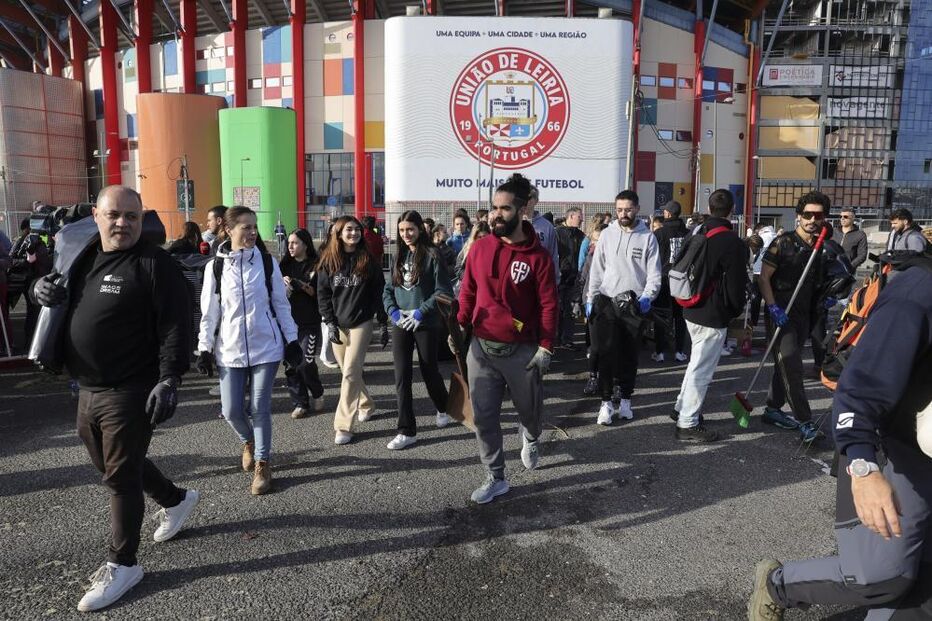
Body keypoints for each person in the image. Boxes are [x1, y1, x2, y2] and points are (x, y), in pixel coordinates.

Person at [31, 185, 199, 612]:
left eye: (131, 216)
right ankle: (177, 500)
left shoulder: (155, 264)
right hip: (86, 385)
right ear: (96, 215)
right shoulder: (80, 255)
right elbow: (51, 289)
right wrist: (39, 290)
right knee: (114, 462)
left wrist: (170, 379)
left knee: (120, 477)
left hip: (132, 386)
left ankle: (122, 564)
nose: (122, 223)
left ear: (142, 219)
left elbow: (177, 327)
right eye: (114, 215)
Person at [749, 253, 932, 621]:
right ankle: (777, 585)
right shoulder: (918, 294)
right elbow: (860, 388)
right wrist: (863, 467)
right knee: (880, 576)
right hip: (894, 447)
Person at [456, 173, 558, 504]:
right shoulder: (481, 247)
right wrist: (460, 321)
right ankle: (496, 476)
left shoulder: (538, 258)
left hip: (523, 350)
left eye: (503, 209)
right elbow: (468, 289)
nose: (495, 215)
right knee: (484, 416)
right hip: (481, 348)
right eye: (493, 208)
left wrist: (546, 346)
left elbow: (548, 305)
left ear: (521, 210)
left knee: (530, 411)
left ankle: (531, 434)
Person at [196, 206, 300, 495]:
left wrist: (291, 341)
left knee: (259, 408)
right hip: (229, 350)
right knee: (230, 410)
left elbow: (281, 305)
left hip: (266, 346)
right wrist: (203, 348)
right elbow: (209, 312)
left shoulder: (267, 263)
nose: (253, 232)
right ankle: (249, 442)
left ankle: (263, 464)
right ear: (229, 230)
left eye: (255, 227)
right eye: (246, 227)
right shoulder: (214, 267)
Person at [671, 190, 749, 442]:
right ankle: (687, 423)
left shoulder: (696, 230)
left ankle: (681, 408)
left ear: (708, 206)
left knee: (695, 363)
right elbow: (737, 287)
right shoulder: (732, 242)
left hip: (689, 305)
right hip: (712, 313)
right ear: (732, 209)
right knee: (701, 370)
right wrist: (733, 312)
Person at [758, 191, 830, 443]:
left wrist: (827, 297)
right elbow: (763, 277)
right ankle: (805, 421)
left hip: (804, 314)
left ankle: (772, 408)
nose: (812, 219)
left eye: (817, 215)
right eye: (807, 214)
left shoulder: (821, 246)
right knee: (792, 366)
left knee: (785, 363)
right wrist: (772, 307)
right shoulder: (783, 243)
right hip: (781, 312)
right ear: (798, 216)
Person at [586, 190, 662, 425]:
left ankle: (626, 400)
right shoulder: (607, 234)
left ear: (637, 209)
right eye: (619, 209)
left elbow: (654, 274)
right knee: (606, 354)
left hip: (633, 305)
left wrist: (648, 296)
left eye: (628, 209)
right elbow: (597, 269)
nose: (623, 214)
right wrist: (591, 297)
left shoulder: (648, 237)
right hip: (608, 302)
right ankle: (606, 403)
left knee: (629, 356)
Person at [383, 210, 453, 450]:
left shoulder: (433, 254)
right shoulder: (399, 255)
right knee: (401, 376)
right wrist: (393, 312)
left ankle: (444, 406)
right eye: (402, 230)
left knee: (429, 370)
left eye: (410, 229)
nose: (406, 235)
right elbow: (388, 290)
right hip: (401, 323)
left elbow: (443, 291)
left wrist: (421, 311)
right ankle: (407, 430)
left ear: (419, 229)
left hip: (426, 323)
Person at [317, 215, 388, 445]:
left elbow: (379, 291)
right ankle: (366, 403)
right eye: (349, 230)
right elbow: (323, 295)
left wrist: (383, 321)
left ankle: (343, 426)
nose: (354, 233)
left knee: (349, 372)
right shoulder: (328, 261)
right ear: (338, 233)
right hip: (337, 324)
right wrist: (329, 322)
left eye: (357, 230)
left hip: (361, 322)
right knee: (348, 371)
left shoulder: (367, 259)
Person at [280, 228, 325, 420]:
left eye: (295, 243)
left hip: (309, 323)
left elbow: (317, 292)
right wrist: (282, 282)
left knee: (306, 364)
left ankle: (317, 391)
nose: (290, 246)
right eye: (289, 243)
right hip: (288, 324)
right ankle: (300, 403)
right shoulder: (284, 266)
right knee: (291, 365)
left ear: (305, 244)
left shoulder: (316, 265)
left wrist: (300, 284)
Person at [652, 200, 690, 363]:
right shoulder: (688, 233)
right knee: (680, 317)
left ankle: (660, 352)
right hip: (682, 278)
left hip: (663, 278)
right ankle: (679, 351)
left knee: (660, 315)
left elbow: (652, 257)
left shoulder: (659, 233)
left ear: (667, 213)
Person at [7, 217, 51, 345]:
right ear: (26, 229)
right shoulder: (23, 241)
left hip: (36, 279)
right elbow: (11, 260)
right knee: (33, 312)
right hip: (29, 281)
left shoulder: (38, 240)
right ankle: (31, 341)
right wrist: (26, 261)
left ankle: (33, 340)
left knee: (35, 311)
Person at [577, 223, 608, 396]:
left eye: (598, 240)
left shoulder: (614, 258)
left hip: (610, 304)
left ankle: (611, 380)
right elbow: (583, 278)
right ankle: (593, 377)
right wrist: (580, 300)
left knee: (610, 345)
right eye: (593, 240)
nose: (593, 244)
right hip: (591, 303)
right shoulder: (590, 257)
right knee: (594, 346)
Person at [555, 207, 586, 349]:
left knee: (571, 310)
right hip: (561, 277)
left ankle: (567, 339)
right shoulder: (557, 233)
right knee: (559, 309)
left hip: (575, 278)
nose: (582, 219)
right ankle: (556, 338)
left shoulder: (580, 235)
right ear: (571, 216)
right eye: (580, 216)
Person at [525, 184, 560, 285]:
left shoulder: (547, 226)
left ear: (536, 201)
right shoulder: (514, 223)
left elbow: (553, 254)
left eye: (529, 198)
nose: (525, 201)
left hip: (540, 279)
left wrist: (555, 280)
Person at [454, 221, 491, 288]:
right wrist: (470, 278)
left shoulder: (493, 249)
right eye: (479, 237)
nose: (482, 240)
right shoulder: (467, 249)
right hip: (470, 286)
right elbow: (458, 269)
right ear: (474, 237)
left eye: (484, 236)